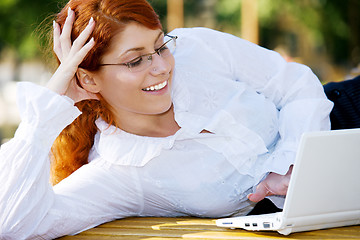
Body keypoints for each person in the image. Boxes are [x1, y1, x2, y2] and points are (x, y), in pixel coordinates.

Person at [0, 0, 333, 239]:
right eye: (135, 62)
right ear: (87, 80)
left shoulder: (197, 48)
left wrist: (293, 163)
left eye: (160, 47)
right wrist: (49, 109)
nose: (160, 67)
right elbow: (14, 224)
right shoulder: (119, 173)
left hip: (337, 117)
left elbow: (295, 84)